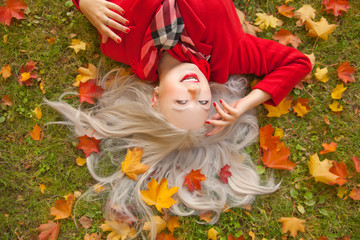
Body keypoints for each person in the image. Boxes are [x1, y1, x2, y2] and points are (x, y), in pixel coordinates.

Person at [47, 0, 311, 238]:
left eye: (182, 102)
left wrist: (87, 4)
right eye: (203, 102)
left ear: (156, 97)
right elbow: (297, 64)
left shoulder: (119, 43)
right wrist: (243, 105)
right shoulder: (231, 54)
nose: (195, 90)